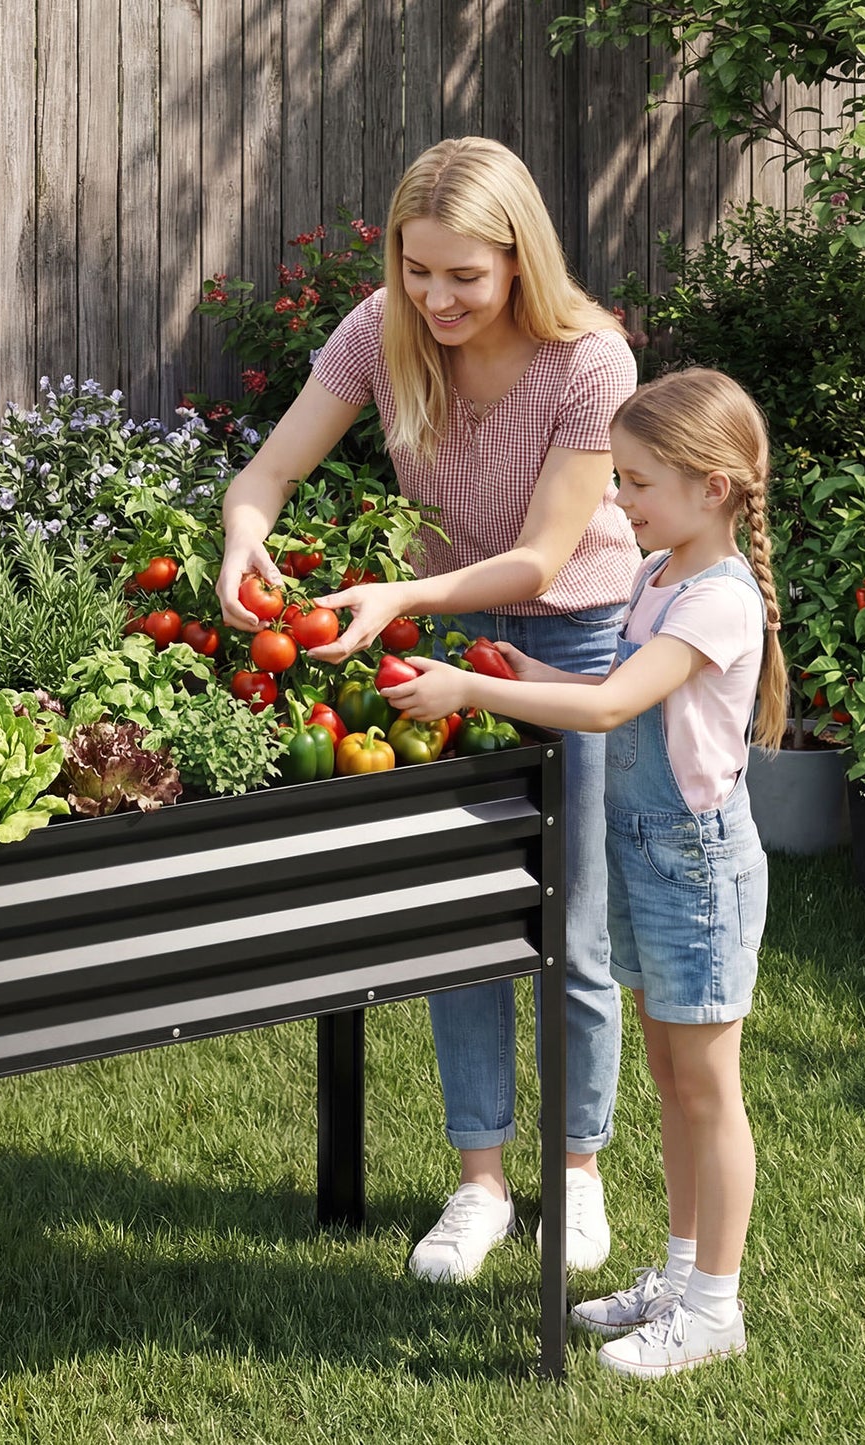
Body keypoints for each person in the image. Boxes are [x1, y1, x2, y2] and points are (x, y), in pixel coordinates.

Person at [216, 136, 638, 1282]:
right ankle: (479, 1182)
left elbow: (545, 559)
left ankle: (578, 1173)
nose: (436, 297)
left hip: (575, 640)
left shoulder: (587, 359)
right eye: (417, 269)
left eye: (464, 274)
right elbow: (265, 475)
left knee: (571, 921)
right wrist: (240, 539)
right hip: (445, 639)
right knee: (464, 917)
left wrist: (400, 589)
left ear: (517, 259)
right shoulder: (379, 332)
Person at [388, 367, 787, 1375]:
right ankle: (680, 1269)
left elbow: (613, 714)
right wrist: (532, 678)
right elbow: (611, 689)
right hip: (647, 859)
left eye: (637, 482)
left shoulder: (719, 600)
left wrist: (469, 685)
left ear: (712, 488)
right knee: (668, 1078)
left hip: (696, 872)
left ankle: (713, 1306)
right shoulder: (656, 578)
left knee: (706, 1090)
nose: (617, 500)